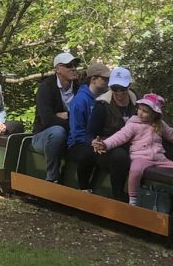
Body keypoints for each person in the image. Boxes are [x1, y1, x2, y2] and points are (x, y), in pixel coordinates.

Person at [97, 93, 173, 206]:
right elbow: (119, 136)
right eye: (139, 109)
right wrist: (105, 144)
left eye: (145, 111)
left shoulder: (159, 125)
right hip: (140, 157)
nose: (140, 113)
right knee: (135, 171)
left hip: (159, 158)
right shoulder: (133, 125)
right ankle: (133, 198)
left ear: (154, 114)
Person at [89, 67, 139, 201]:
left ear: (129, 86)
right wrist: (96, 142)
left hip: (134, 144)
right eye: (115, 89)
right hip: (107, 148)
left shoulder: (137, 103)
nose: (119, 93)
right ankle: (118, 196)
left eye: (122, 89)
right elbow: (92, 132)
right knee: (120, 156)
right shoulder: (102, 105)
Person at [32, 51, 80, 182]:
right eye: (69, 65)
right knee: (57, 132)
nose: (73, 68)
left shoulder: (79, 87)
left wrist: (66, 116)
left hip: (71, 135)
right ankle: (52, 178)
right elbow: (47, 120)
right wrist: (73, 122)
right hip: (42, 136)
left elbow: (84, 116)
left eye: (74, 65)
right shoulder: (46, 87)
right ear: (58, 69)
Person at [67, 62, 111, 190]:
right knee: (88, 154)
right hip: (78, 143)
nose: (108, 82)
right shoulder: (80, 100)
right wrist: (93, 142)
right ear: (93, 79)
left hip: (99, 140)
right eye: (105, 79)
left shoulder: (104, 99)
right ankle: (83, 188)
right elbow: (77, 133)